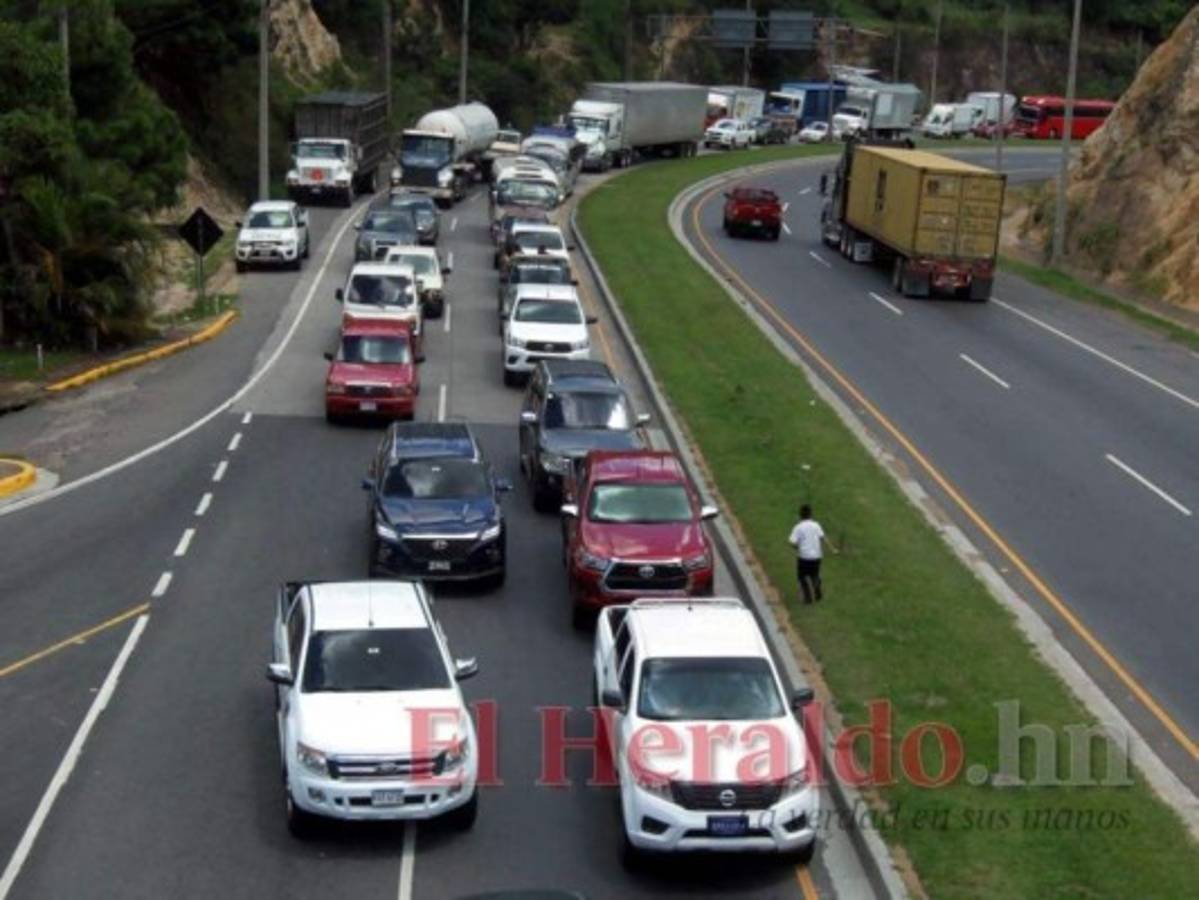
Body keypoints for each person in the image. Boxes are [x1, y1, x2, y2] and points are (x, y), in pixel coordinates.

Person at [788, 504, 837, 604]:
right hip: (817, 556)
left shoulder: (798, 527)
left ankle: (808, 597)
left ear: (800, 515)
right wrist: (832, 549)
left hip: (804, 556)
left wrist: (798, 548)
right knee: (814, 574)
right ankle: (817, 586)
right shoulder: (816, 525)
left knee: (802, 576)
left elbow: (791, 542)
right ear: (811, 514)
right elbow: (823, 538)